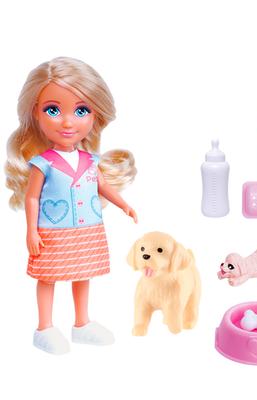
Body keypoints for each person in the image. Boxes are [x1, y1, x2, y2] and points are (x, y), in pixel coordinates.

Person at [5, 57, 137, 355]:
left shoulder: (90, 160)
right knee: (48, 276)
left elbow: (103, 186)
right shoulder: (42, 163)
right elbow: (32, 197)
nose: (67, 122)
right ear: (35, 113)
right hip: (52, 232)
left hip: (87, 230)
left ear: (95, 115)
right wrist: (31, 231)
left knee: (83, 274)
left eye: (81, 110)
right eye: (53, 110)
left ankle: (82, 323)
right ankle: (45, 327)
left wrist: (124, 205)